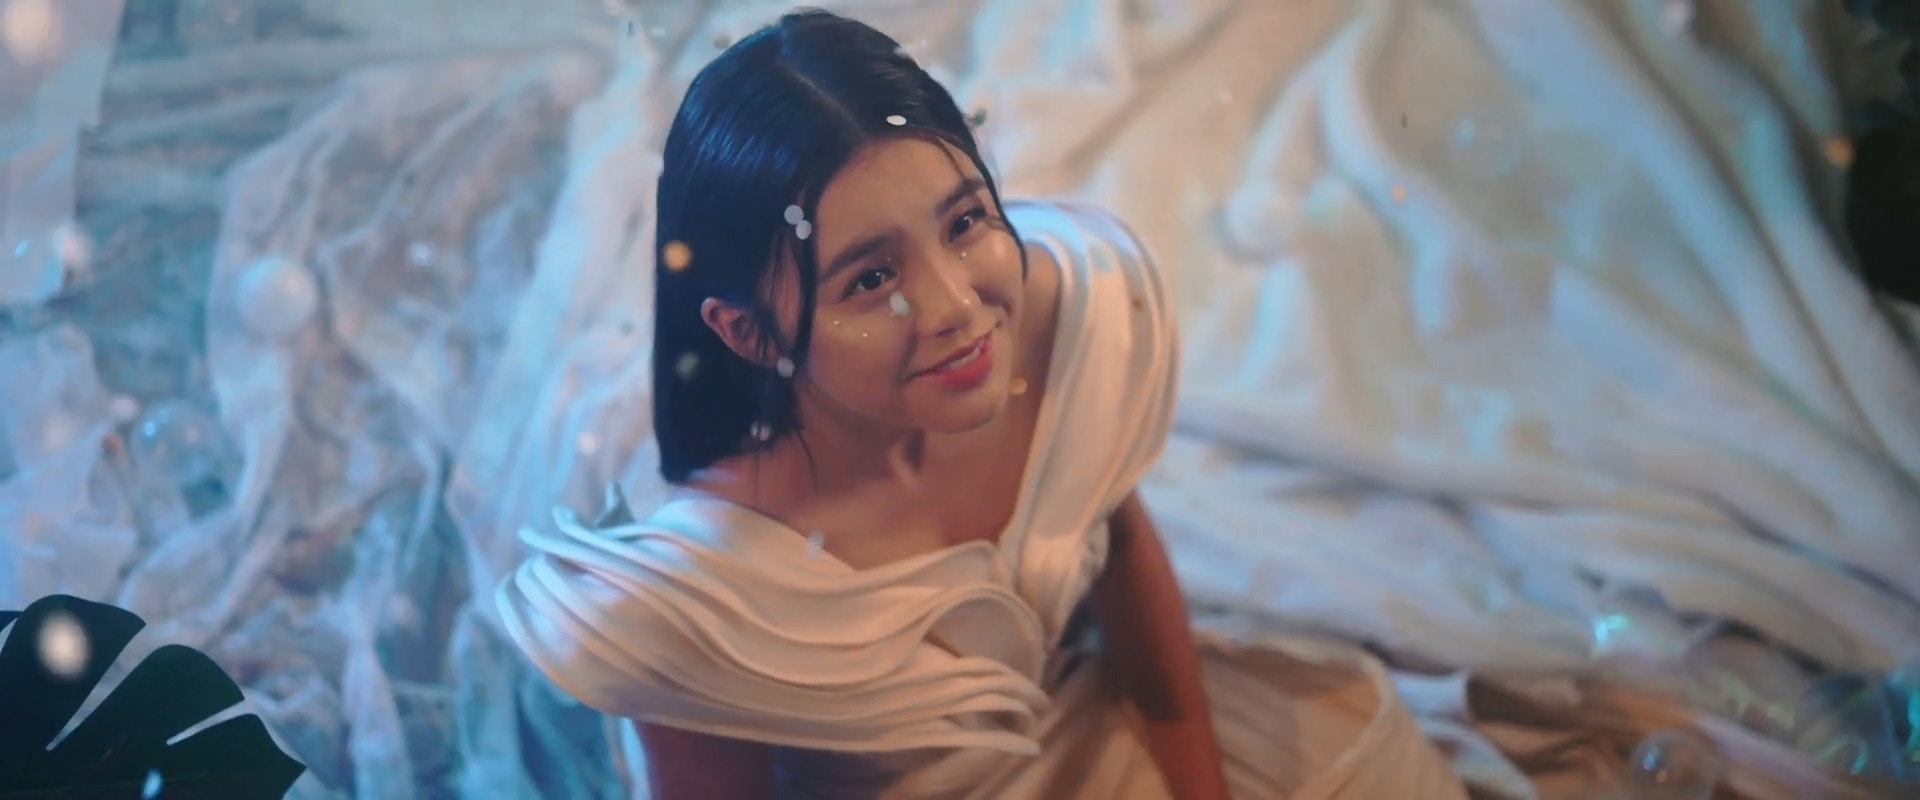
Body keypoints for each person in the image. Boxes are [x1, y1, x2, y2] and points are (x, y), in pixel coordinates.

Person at [496, 9, 1463, 798]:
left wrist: (1195, 781)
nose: (959, 309)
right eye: (871, 279)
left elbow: (1120, 539)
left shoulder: (1064, 320)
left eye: (964, 222)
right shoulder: (707, 600)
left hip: (1088, 723)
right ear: (750, 335)